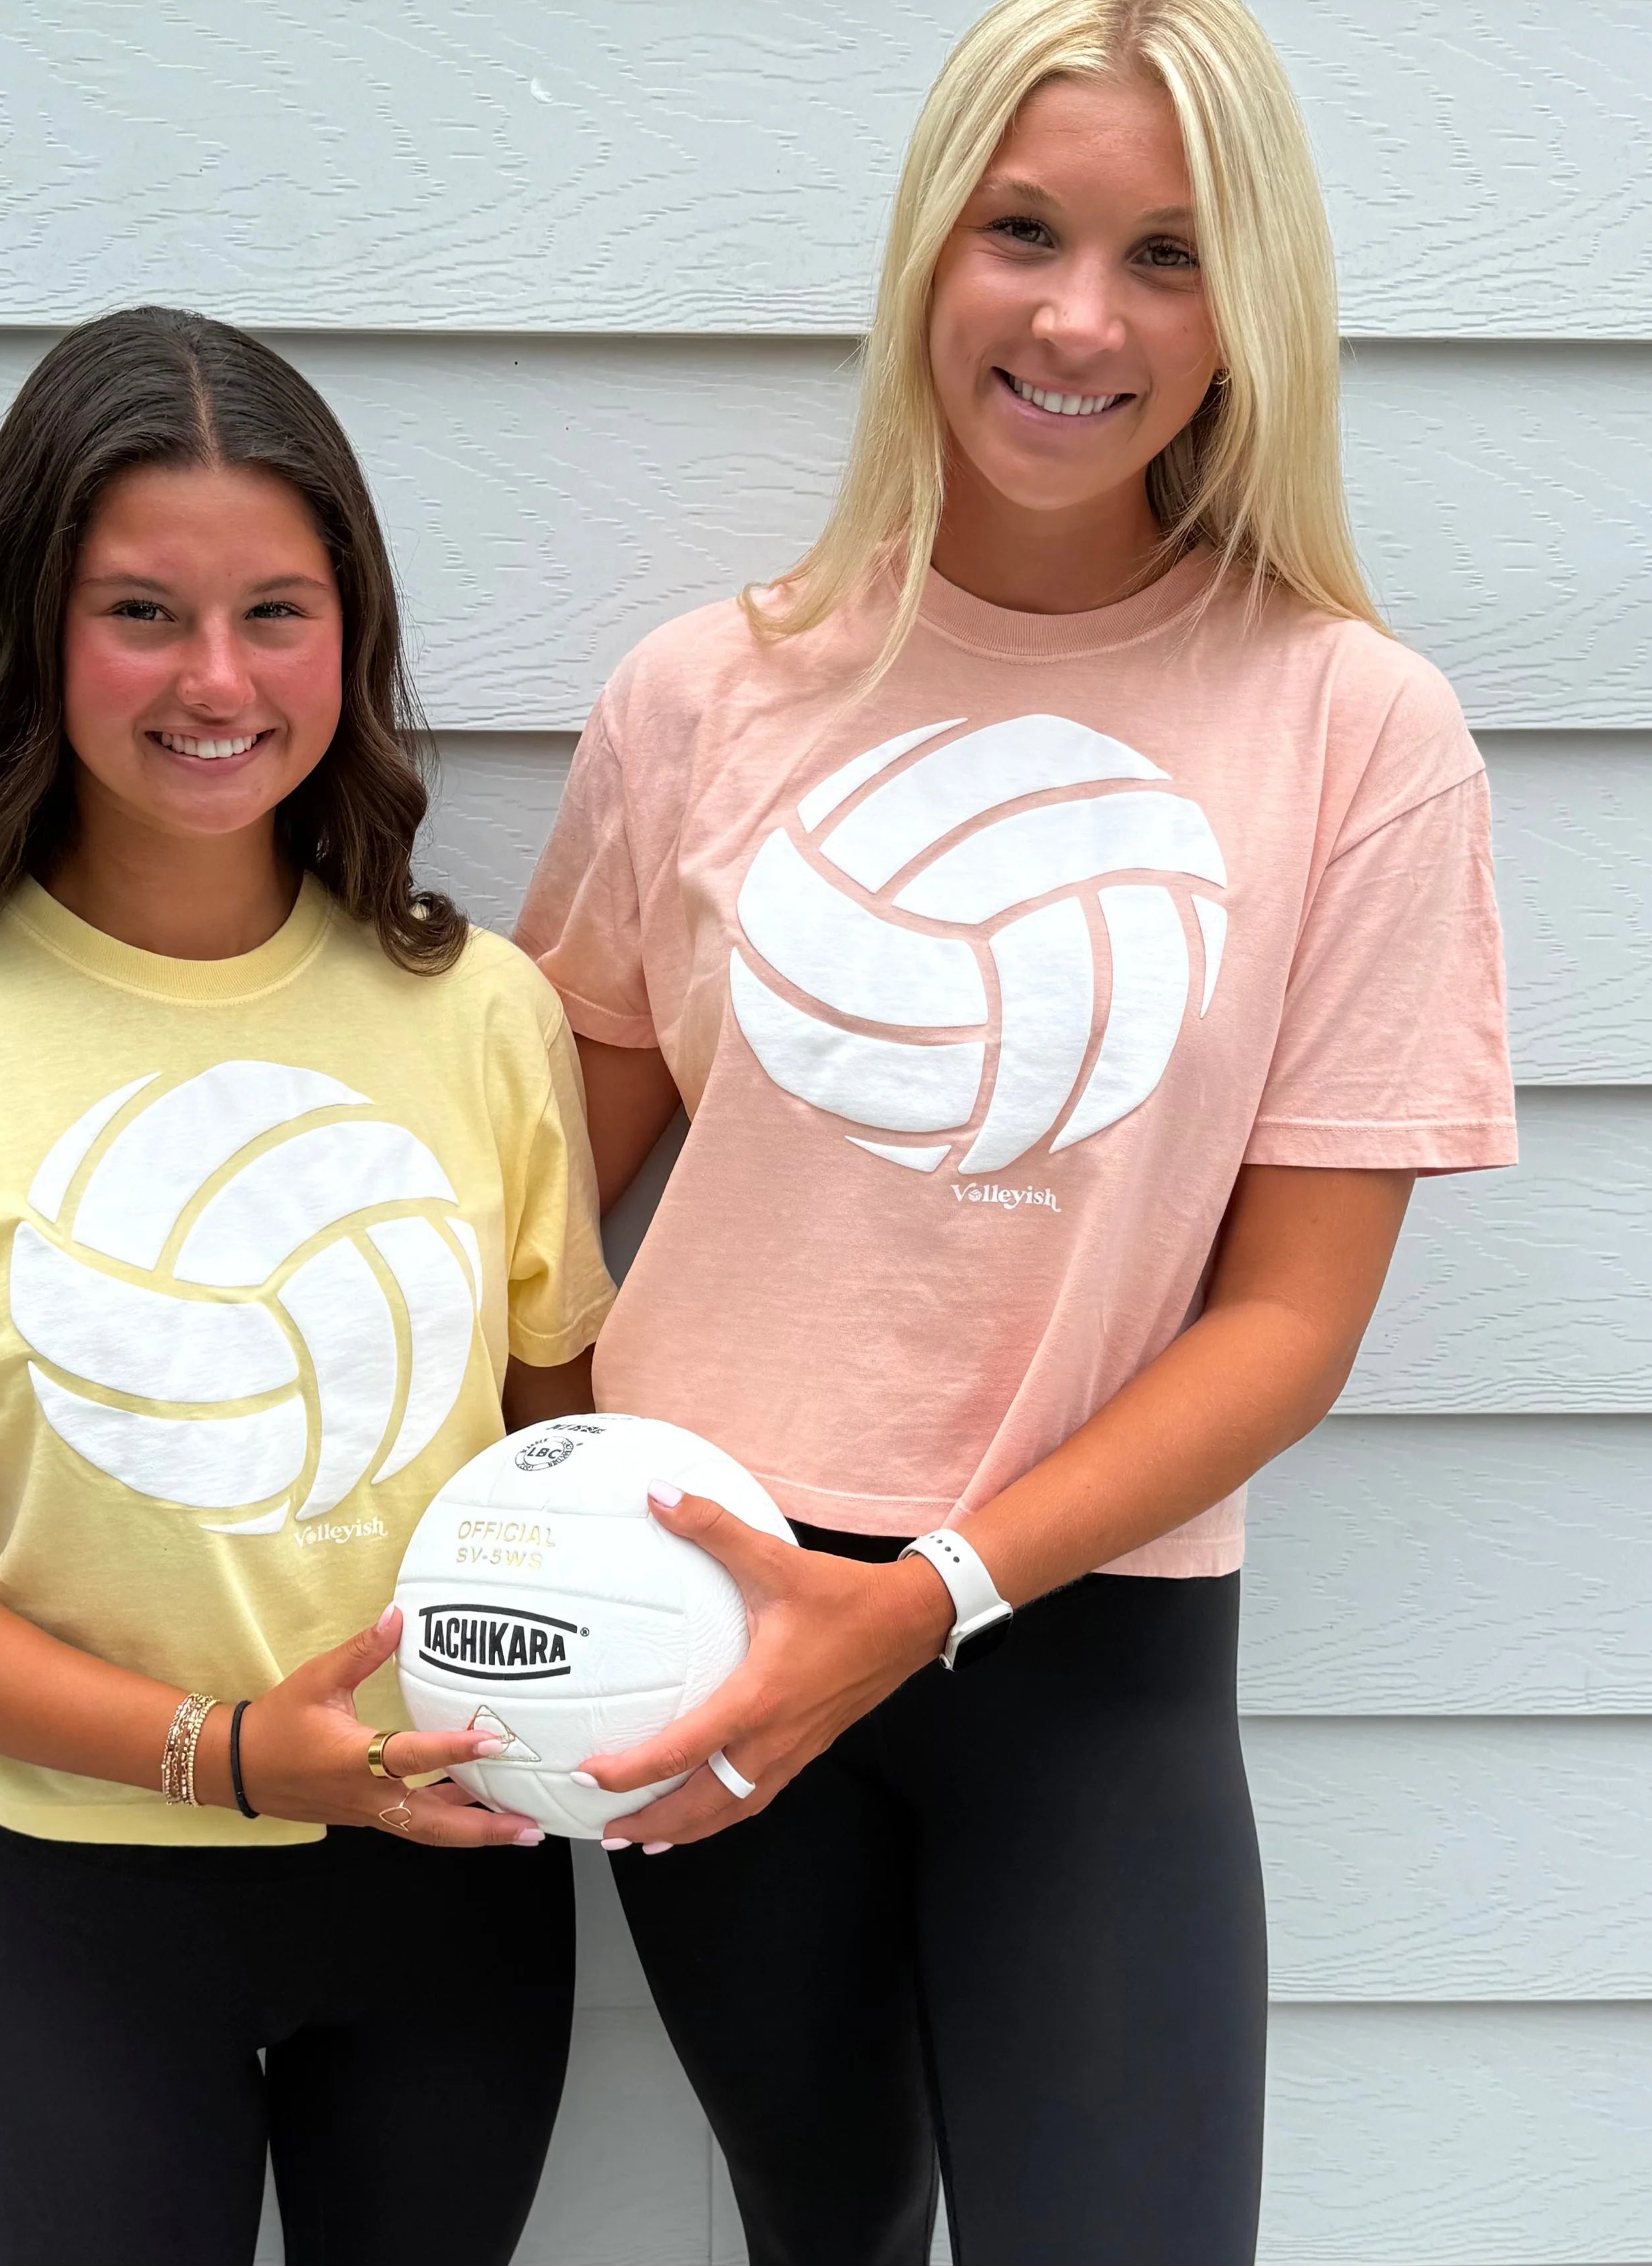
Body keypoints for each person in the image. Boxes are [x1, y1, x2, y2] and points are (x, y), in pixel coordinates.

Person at [516, 2, 1516, 2260]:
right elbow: (532, 1219)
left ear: (1250, 314)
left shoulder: (1359, 727)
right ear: (927, 260)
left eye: (1170, 255)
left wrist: (933, 1594)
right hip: (717, 1628)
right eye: (1028, 232)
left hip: (1086, 1660)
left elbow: (1289, 1317)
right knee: (825, 2224)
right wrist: (567, 1532)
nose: (1084, 316)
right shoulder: (702, 697)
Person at [0, 307, 614, 2266]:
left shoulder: (486, 1016)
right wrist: (220, 1749)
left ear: (351, 634)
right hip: (72, 1920)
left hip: (453, 1889)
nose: (218, 678)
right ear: (31, 633)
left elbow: (565, 1447)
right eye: (143, 611)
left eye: (277, 610)